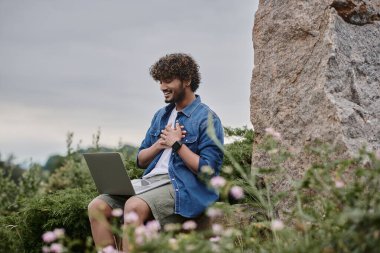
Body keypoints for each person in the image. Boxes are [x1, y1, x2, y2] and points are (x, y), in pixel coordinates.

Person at [87, 53, 224, 251]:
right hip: (150, 183)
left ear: (187, 80)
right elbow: (141, 160)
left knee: (134, 207)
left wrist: (177, 145)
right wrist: (159, 144)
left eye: (168, 80)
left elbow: (208, 171)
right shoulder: (161, 115)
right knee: (97, 206)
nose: (162, 87)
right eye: (160, 81)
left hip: (182, 185)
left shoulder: (207, 119)